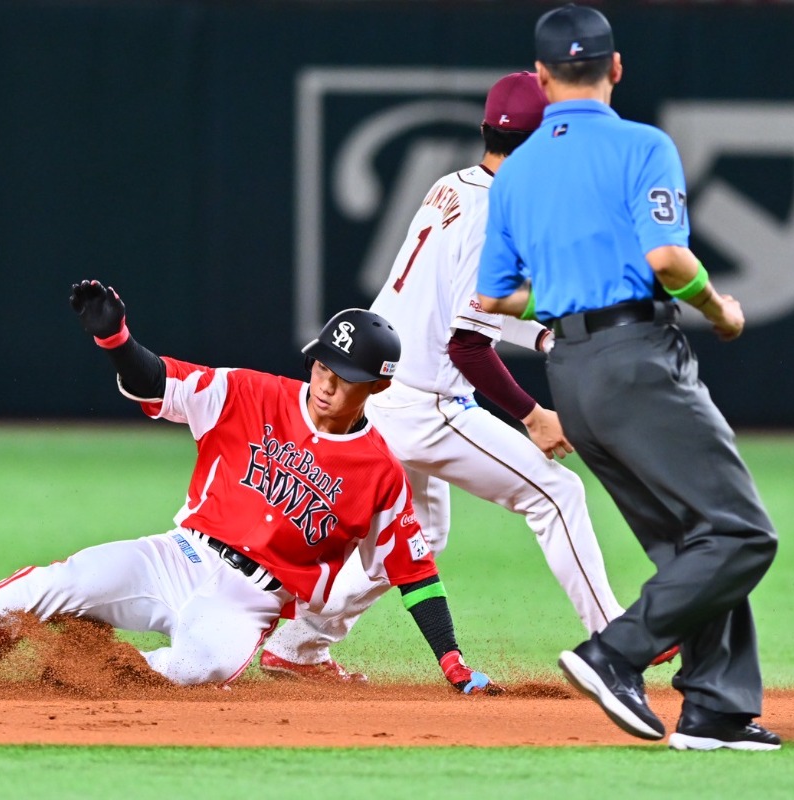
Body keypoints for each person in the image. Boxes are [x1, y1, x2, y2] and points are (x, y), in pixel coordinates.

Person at [0, 280, 500, 695]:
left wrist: (451, 661)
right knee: (61, 582)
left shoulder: (380, 471)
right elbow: (156, 383)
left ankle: (85, 670)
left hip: (247, 604)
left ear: (378, 387)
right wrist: (116, 341)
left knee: (204, 668)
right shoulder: (250, 392)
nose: (327, 381)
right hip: (178, 555)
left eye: (346, 374)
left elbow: (414, 570)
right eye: (322, 364)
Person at [261, 70, 665, 682]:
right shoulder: (492, 215)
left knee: (419, 535)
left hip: (387, 390)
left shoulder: (454, 185)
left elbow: (462, 307)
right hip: (426, 404)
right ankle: (615, 639)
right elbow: (468, 343)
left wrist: (547, 336)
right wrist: (533, 416)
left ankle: (299, 644)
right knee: (557, 494)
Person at [476, 4, 780, 751]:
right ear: (616, 68)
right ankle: (613, 653)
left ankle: (717, 708)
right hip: (637, 358)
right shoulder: (642, 145)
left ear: (542, 79)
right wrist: (720, 308)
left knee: (691, 543)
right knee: (742, 534)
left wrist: (571, 290)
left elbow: (492, 297)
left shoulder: (514, 175)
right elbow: (668, 262)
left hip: (571, 373)